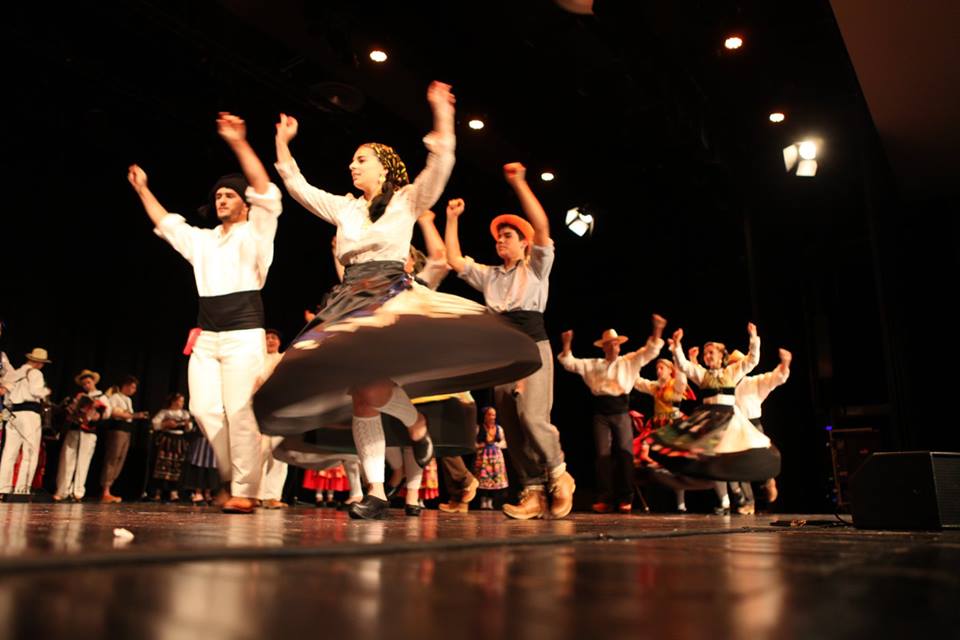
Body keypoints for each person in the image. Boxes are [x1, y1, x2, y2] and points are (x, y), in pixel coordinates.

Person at [259, 82, 540, 520]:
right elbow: (298, 186)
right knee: (363, 394)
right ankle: (377, 487)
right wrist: (282, 143)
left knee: (368, 389)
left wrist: (442, 113)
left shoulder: (408, 200)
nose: (352, 165)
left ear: (384, 167)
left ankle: (413, 428)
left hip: (390, 294)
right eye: (352, 160)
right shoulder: (345, 209)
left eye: (361, 159)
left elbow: (441, 162)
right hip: (349, 299)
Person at [128, 111, 282, 513]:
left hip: (243, 332)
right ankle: (232, 475)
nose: (221, 200)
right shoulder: (204, 241)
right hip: (207, 335)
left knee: (241, 412)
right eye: (218, 196)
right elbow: (168, 224)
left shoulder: (257, 232)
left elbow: (264, 189)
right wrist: (143, 189)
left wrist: (238, 142)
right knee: (203, 409)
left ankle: (245, 489)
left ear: (244, 204)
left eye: (229, 195)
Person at [445, 178, 576, 520]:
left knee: (532, 417)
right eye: (498, 237)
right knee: (512, 426)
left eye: (507, 236)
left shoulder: (536, 268)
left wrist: (519, 183)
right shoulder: (490, 275)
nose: (500, 240)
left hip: (532, 346)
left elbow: (542, 226)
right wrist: (452, 219)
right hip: (503, 354)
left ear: (524, 243)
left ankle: (559, 474)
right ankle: (533, 491)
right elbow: (454, 259)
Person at [558, 316, 666, 514]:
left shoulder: (628, 361)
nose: (615, 346)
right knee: (603, 456)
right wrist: (566, 344)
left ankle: (626, 498)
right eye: (611, 343)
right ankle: (604, 499)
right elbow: (570, 362)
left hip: (621, 410)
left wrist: (657, 330)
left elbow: (649, 352)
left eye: (617, 343)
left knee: (625, 454)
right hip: (601, 413)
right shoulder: (594, 364)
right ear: (605, 347)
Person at [650, 323, 781, 482]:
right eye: (705, 354)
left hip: (729, 416)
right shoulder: (702, 375)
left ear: (721, 355)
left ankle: (748, 483)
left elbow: (752, 360)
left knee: (740, 446)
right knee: (698, 447)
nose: (707, 356)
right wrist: (677, 346)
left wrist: (753, 338)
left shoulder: (731, 372)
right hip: (708, 416)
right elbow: (684, 365)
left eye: (711, 352)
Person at [0, 348, 52, 496]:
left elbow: (7, 399)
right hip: (30, 415)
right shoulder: (35, 373)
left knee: (9, 453)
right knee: (30, 452)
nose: (42, 366)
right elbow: (36, 391)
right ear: (38, 362)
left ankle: (2, 488)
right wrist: (46, 391)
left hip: (13, 414)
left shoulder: (14, 373)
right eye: (42, 363)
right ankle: (22, 489)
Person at [54, 370, 110, 501]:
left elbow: (106, 414)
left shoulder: (101, 397)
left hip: (89, 432)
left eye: (88, 382)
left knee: (83, 461)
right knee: (67, 459)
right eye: (84, 384)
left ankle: (78, 491)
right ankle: (62, 490)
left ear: (93, 382)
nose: (86, 385)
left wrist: (97, 412)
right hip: (74, 429)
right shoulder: (79, 396)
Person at [100, 376, 149, 503]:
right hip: (117, 429)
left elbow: (128, 414)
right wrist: (134, 415)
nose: (134, 390)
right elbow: (114, 413)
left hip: (126, 430)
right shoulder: (115, 397)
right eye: (132, 387)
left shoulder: (128, 399)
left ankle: (109, 488)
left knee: (120, 458)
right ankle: (105, 490)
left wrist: (133, 415)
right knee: (112, 458)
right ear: (125, 385)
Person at [149, 392, 194, 502]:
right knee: (163, 464)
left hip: (179, 440)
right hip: (167, 440)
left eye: (182, 401)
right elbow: (155, 424)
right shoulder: (165, 412)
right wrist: (165, 424)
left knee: (176, 465)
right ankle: (158, 491)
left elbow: (189, 429)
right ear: (173, 401)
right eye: (179, 401)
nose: (181, 403)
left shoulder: (184, 414)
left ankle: (173, 492)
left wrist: (187, 425)